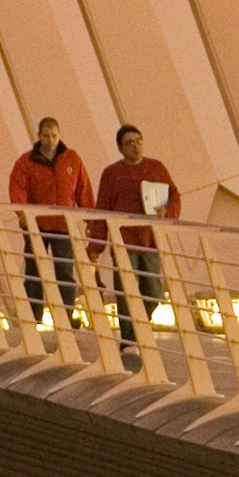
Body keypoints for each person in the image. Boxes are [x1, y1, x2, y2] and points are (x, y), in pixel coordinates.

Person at [92, 124, 175, 368]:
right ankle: (129, 340)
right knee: (126, 291)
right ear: (120, 147)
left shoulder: (156, 168)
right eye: (129, 142)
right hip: (123, 240)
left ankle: (136, 330)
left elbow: (174, 196)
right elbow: (102, 209)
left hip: (149, 239)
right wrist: (96, 246)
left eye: (139, 140)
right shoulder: (111, 174)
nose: (135, 145)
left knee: (153, 291)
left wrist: (167, 210)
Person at [8, 116, 94, 327]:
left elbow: (83, 187)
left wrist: (90, 217)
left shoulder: (72, 159)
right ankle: (33, 315)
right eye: (46, 136)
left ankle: (65, 315)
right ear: (39, 136)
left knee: (64, 271)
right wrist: (23, 215)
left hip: (64, 226)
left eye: (54, 135)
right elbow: (17, 188)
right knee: (34, 270)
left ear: (59, 135)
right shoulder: (25, 162)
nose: (50, 140)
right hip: (36, 225)